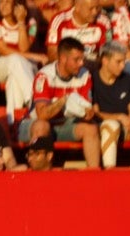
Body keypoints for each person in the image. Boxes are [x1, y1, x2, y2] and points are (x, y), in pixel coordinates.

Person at [23, 38, 103, 169]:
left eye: (82, 59)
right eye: (76, 60)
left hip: (65, 123)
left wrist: (87, 113)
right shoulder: (44, 76)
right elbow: (41, 115)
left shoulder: (84, 75)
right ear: (63, 58)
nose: (81, 63)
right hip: (34, 123)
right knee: (42, 126)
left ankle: (93, 175)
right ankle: (39, 177)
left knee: (91, 128)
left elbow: (85, 106)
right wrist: (64, 100)